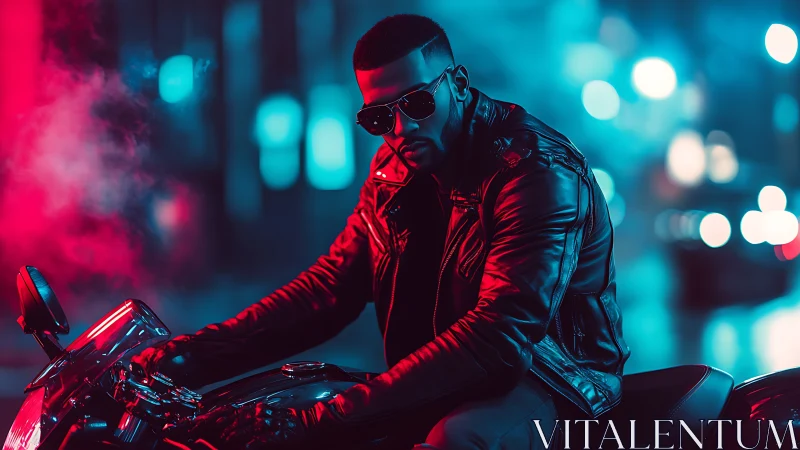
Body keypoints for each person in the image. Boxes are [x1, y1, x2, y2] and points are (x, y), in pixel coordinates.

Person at [134, 14, 630, 450]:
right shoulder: (392, 171)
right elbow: (330, 289)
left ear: (457, 83)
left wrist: (315, 421)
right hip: (456, 372)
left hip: (554, 380)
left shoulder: (535, 171)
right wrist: (178, 360)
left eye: (416, 103)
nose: (400, 128)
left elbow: (499, 337)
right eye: (379, 116)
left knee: (458, 439)